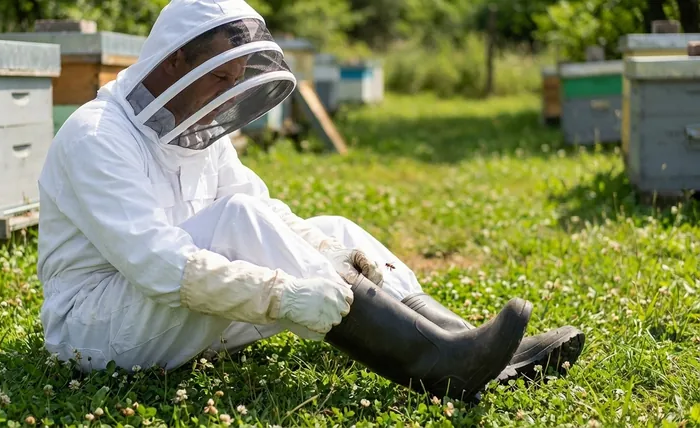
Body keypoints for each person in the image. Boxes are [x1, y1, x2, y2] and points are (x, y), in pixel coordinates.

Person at [36, 0, 584, 402]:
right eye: (219, 77)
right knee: (239, 221)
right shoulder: (97, 137)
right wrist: (282, 296)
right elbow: (160, 264)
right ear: (178, 62)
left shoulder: (193, 127)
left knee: (336, 230)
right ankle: (437, 363)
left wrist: (332, 254)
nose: (226, 92)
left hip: (172, 312)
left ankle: (467, 345)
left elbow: (262, 208)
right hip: (99, 328)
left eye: (235, 78)